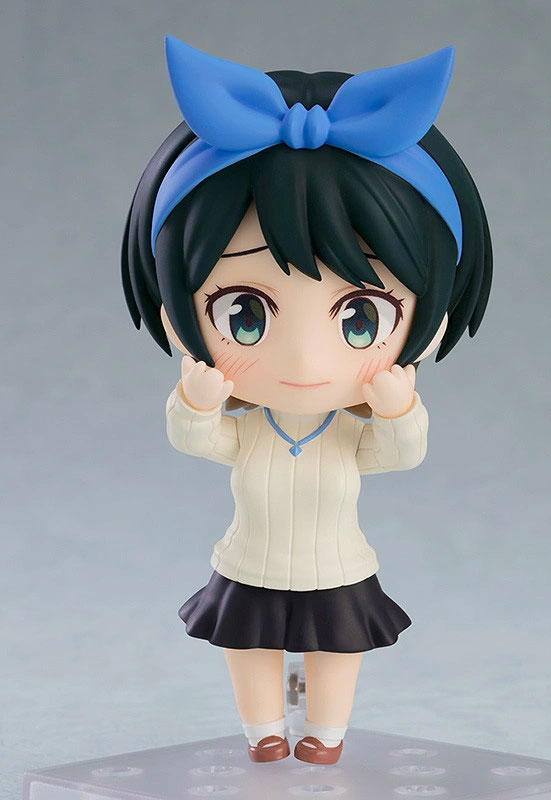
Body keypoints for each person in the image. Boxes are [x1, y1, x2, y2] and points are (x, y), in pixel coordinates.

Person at [121, 36, 492, 765]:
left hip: (336, 565)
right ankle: (262, 729)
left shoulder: (342, 434)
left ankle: (326, 732)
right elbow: (201, 440)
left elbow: (397, 455)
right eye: (244, 314)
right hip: (249, 562)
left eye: (360, 318)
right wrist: (197, 401)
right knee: (247, 644)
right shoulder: (253, 427)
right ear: (175, 311)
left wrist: (398, 411)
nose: (303, 362)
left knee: (338, 648)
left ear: (434, 317)